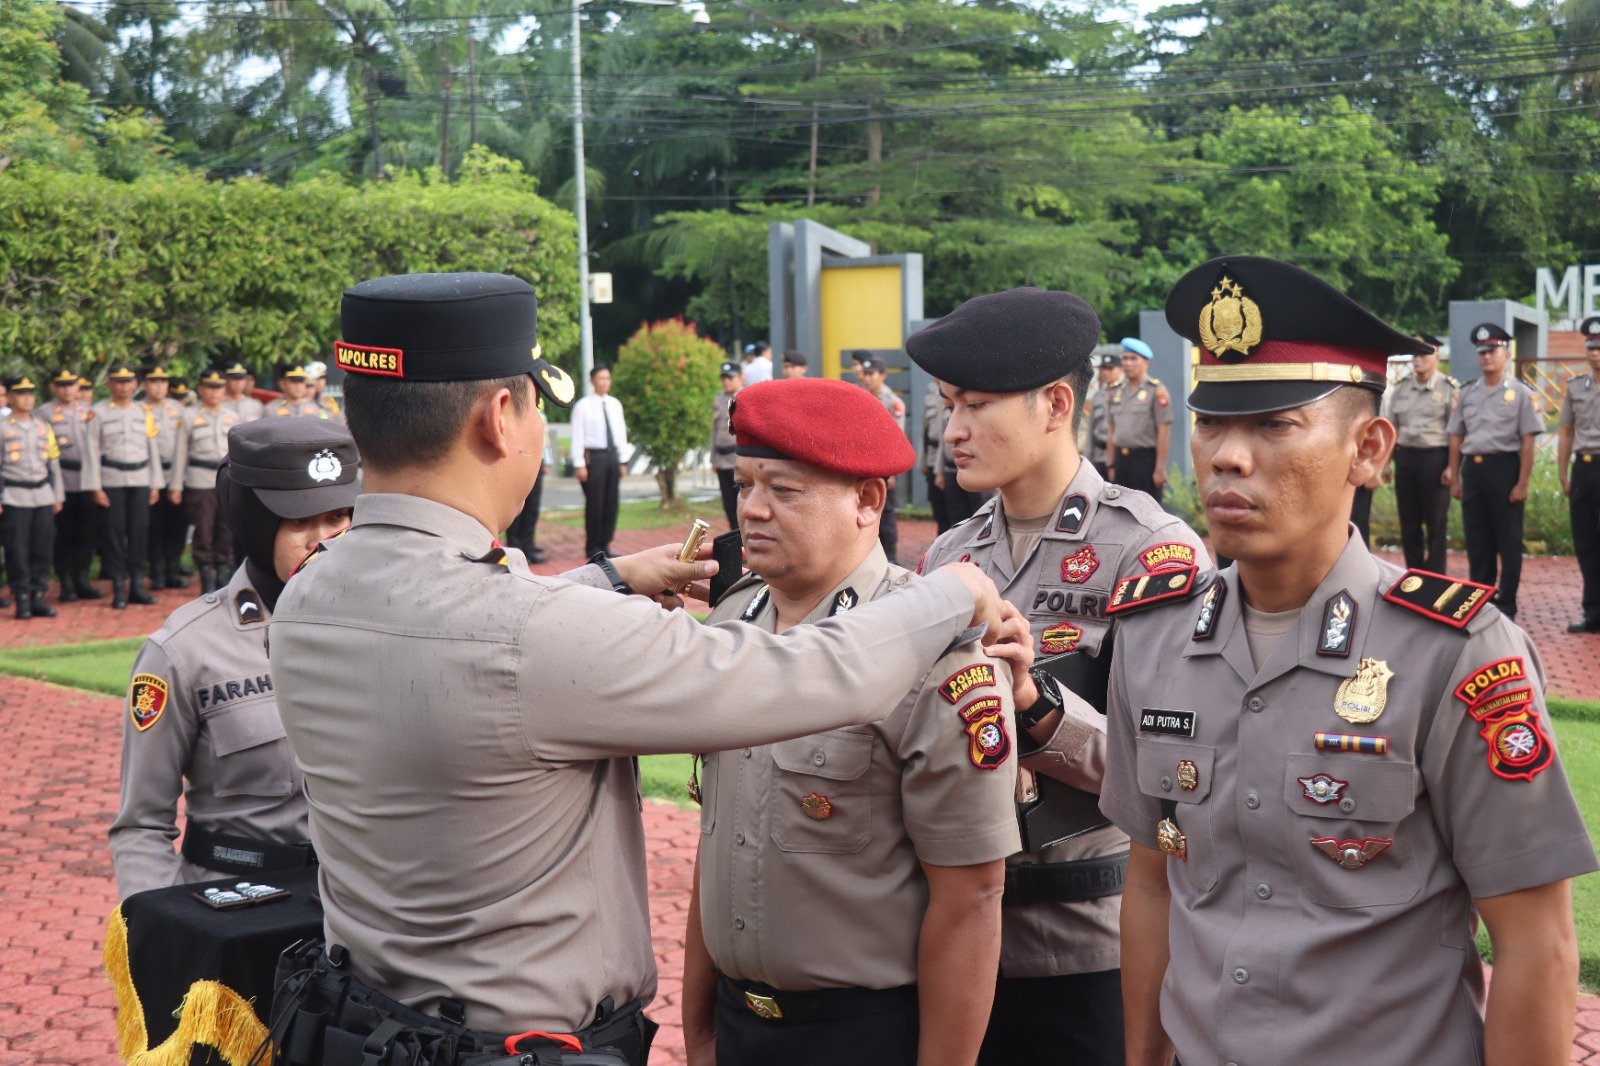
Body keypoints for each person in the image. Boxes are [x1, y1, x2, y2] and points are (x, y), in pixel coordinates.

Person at [265, 271, 1009, 1066]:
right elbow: (811, 676)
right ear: (499, 417)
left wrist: (611, 577)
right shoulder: (535, 632)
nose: (752, 508)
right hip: (519, 1044)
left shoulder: (310, 593)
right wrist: (954, 590)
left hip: (362, 1025)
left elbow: (463, 624)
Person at [1100, 254, 1597, 1066]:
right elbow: (1154, 886)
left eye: (1272, 424)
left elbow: (1536, 943)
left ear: (1368, 450)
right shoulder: (1153, 636)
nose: (1227, 456)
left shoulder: (1455, 653)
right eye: (1214, 423)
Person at [908, 287, 1211, 1066]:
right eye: (948, 405)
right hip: (956, 938)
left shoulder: (1150, 553)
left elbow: (1185, 779)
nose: (955, 431)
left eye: (976, 405)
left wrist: (1040, 708)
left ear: (1055, 404)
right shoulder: (949, 557)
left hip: (1092, 951)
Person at [682, 377, 1020, 1066]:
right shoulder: (729, 624)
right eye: (745, 485)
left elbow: (973, 895)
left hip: (862, 1034)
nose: (752, 509)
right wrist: (700, 1032)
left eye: (784, 490)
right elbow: (714, 843)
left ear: (867, 500)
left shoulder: (935, 654)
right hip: (740, 1024)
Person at [108, 418, 359, 899]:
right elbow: (141, 825)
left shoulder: (387, 628)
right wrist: (163, 931)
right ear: (255, 522)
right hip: (238, 907)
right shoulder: (185, 650)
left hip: (362, 911)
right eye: (300, 521)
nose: (324, 540)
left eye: (337, 519)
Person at [1447, 322, 1543, 620]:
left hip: (1505, 470)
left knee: (1508, 541)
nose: (1487, 356)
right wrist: (1455, 475)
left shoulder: (1520, 393)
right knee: (1478, 541)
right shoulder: (1468, 393)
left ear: (1506, 353)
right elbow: (1456, 436)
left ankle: (1507, 604)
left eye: (1493, 350)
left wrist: (1523, 482)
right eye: (1482, 352)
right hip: (1474, 471)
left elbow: (1528, 442)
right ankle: (1480, 602)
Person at [1382, 333, 1458, 569]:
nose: (1417, 359)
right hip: (1406, 458)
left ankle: (1435, 577)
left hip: (1434, 458)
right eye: (1414, 354)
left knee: (1435, 523)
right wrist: (1385, 463)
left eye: (1423, 354)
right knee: (1409, 521)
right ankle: (1414, 573)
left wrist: (1452, 467)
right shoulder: (1402, 388)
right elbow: (1392, 427)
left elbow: (1454, 432)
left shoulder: (1447, 388)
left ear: (1437, 356)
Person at [92, 362, 165, 609]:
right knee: (113, 533)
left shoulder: (144, 411)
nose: (124, 386)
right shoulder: (99, 413)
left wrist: (156, 483)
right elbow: (92, 452)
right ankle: (117, 587)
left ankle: (136, 585)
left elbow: (152, 448)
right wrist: (95, 487)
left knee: (139, 531)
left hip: (141, 478)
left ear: (135, 384)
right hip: (111, 479)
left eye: (129, 381)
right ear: (109, 384)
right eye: (119, 381)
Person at [170, 367, 243, 594]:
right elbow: (180, 452)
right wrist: (175, 485)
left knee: (226, 528)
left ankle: (223, 578)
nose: (214, 392)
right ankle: (206, 580)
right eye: (209, 387)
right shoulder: (189, 415)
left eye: (219, 387)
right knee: (203, 529)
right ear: (200, 389)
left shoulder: (233, 416)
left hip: (227, 477)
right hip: (199, 479)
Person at [1, 374, 64, 619]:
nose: (26, 398)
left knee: (42, 549)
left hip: (43, 495)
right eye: (20, 393)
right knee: (17, 550)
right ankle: (22, 598)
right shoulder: (3, 428)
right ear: (11, 397)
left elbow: (53, 463)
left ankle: (38, 595)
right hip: (15, 496)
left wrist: (57, 496)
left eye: (30, 393)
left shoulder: (42, 426)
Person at [41, 367, 103, 602]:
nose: (68, 389)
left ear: (78, 387)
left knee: (86, 533)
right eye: (62, 385)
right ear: (54, 387)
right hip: (63, 479)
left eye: (72, 384)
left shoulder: (91, 412)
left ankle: (82, 579)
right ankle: (65, 581)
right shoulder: (44, 414)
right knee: (64, 533)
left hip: (88, 481)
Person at [1560, 315, 1600, 633]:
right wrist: (1563, 472)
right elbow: (1565, 432)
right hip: (1583, 468)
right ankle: (1592, 612)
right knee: (1585, 541)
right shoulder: (1576, 386)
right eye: (1591, 347)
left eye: (1599, 347)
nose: (1595, 353)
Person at [852, 353, 907, 562]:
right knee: (862, 512)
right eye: (864, 374)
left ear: (882, 375)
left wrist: (891, 472)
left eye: (871, 374)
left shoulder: (893, 403)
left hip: (883, 469)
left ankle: (890, 557)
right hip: (860, 467)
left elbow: (896, 440)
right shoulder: (859, 398)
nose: (866, 378)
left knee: (887, 515)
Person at [1104, 337, 1172, 503]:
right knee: (1119, 512)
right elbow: (1111, 429)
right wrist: (1110, 463)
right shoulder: (1116, 391)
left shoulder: (1156, 391)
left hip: (1145, 462)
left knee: (1147, 512)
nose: (1127, 363)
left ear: (1146, 363)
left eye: (1133, 359)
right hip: (1121, 461)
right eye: (1125, 358)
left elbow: (1164, 431)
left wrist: (1160, 468)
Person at [570, 364, 628, 558]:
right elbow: (577, 436)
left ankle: (605, 543)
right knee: (595, 503)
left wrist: (623, 461)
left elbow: (621, 434)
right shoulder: (583, 406)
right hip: (594, 458)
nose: (605, 382)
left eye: (607, 378)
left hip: (612, 456)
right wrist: (579, 464)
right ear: (592, 381)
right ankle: (592, 546)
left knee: (612, 502)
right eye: (601, 378)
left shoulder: (615, 404)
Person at [142, 365, 190, 590]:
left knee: (177, 524)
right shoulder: (139, 409)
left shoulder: (179, 409)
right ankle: (156, 571)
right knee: (153, 525)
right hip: (150, 474)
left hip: (176, 474)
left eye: (163, 381)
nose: (159, 386)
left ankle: (173, 568)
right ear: (144, 385)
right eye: (154, 381)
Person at [503, 437, 553, 564]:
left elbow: (545, 440)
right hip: (516, 460)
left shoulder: (541, 416)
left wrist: (547, 461)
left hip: (536, 461)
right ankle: (515, 548)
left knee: (532, 508)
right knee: (516, 506)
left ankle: (528, 547)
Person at [711, 360, 741, 529]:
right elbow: (714, 431)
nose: (726, 381)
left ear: (740, 377)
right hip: (722, 460)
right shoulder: (719, 400)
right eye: (723, 378)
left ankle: (745, 545)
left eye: (730, 378)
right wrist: (712, 458)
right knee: (728, 505)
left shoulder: (744, 397)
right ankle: (736, 544)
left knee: (740, 504)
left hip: (737, 458)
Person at [1085, 352, 1122, 478]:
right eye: (1103, 368)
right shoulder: (1098, 396)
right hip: (1098, 455)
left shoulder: (1125, 393)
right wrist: (1088, 456)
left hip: (1119, 457)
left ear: (1120, 370)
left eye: (1110, 368)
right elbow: (1091, 427)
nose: (1105, 372)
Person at [922, 378, 951, 532]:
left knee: (953, 508)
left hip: (950, 456)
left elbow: (944, 435)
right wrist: (923, 460)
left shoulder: (954, 388)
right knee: (937, 504)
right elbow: (925, 430)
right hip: (933, 456)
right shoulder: (931, 392)